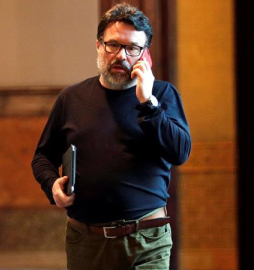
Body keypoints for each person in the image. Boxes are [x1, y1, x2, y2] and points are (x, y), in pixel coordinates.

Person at [31, 3, 191, 269]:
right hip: (86, 240)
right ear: (98, 45)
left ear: (145, 55)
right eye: (113, 45)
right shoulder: (71, 98)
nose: (121, 56)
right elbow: (42, 157)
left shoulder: (162, 95)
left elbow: (180, 152)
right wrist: (52, 186)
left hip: (148, 239)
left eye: (132, 48)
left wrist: (148, 103)